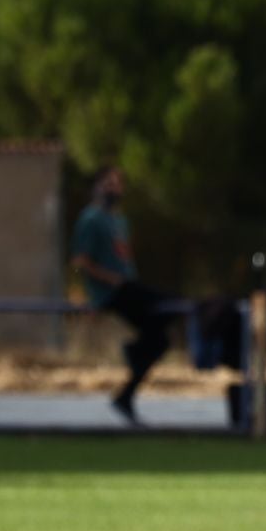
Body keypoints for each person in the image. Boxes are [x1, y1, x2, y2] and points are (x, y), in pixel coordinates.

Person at [69, 166, 173, 425]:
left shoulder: (119, 221)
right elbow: (80, 261)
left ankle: (126, 394)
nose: (113, 189)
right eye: (108, 184)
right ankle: (134, 352)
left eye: (117, 184)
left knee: (161, 340)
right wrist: (107, 280)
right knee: (165, 307)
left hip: (127, 287)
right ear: (96, 187)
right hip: (111, 292)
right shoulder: (90, 219)